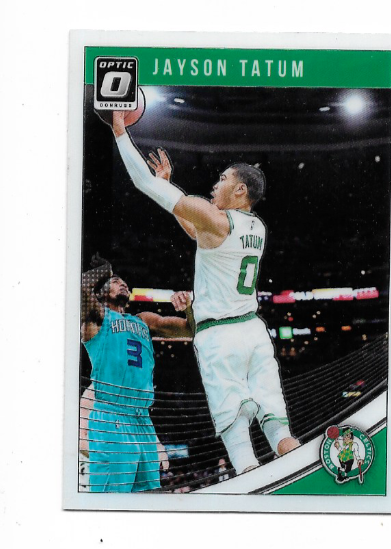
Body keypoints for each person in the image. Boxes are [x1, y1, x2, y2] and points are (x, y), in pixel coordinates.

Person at [108, 112, 300, 475]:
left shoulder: (216, 218)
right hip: (254, 332)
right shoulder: (256, 226)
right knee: (279, 430)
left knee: (239, 446)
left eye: (223, 179)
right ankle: (302, 476)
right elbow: (199, 232)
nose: (215, 184)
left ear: (240, 190)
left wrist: (120, 132)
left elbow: (143, 182)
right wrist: (170, 185)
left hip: (220, 339)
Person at [81, 254, 194, 492]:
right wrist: (104, 271)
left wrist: (190, 308)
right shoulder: (97, 320)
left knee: (149, 498)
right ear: (101, 293)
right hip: (112, 416)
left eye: (124, 282)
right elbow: (81, 288)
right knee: (111, 503)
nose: (122, 283)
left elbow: (190, 329)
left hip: (143, 420)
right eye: (115, 282)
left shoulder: (144, 320)